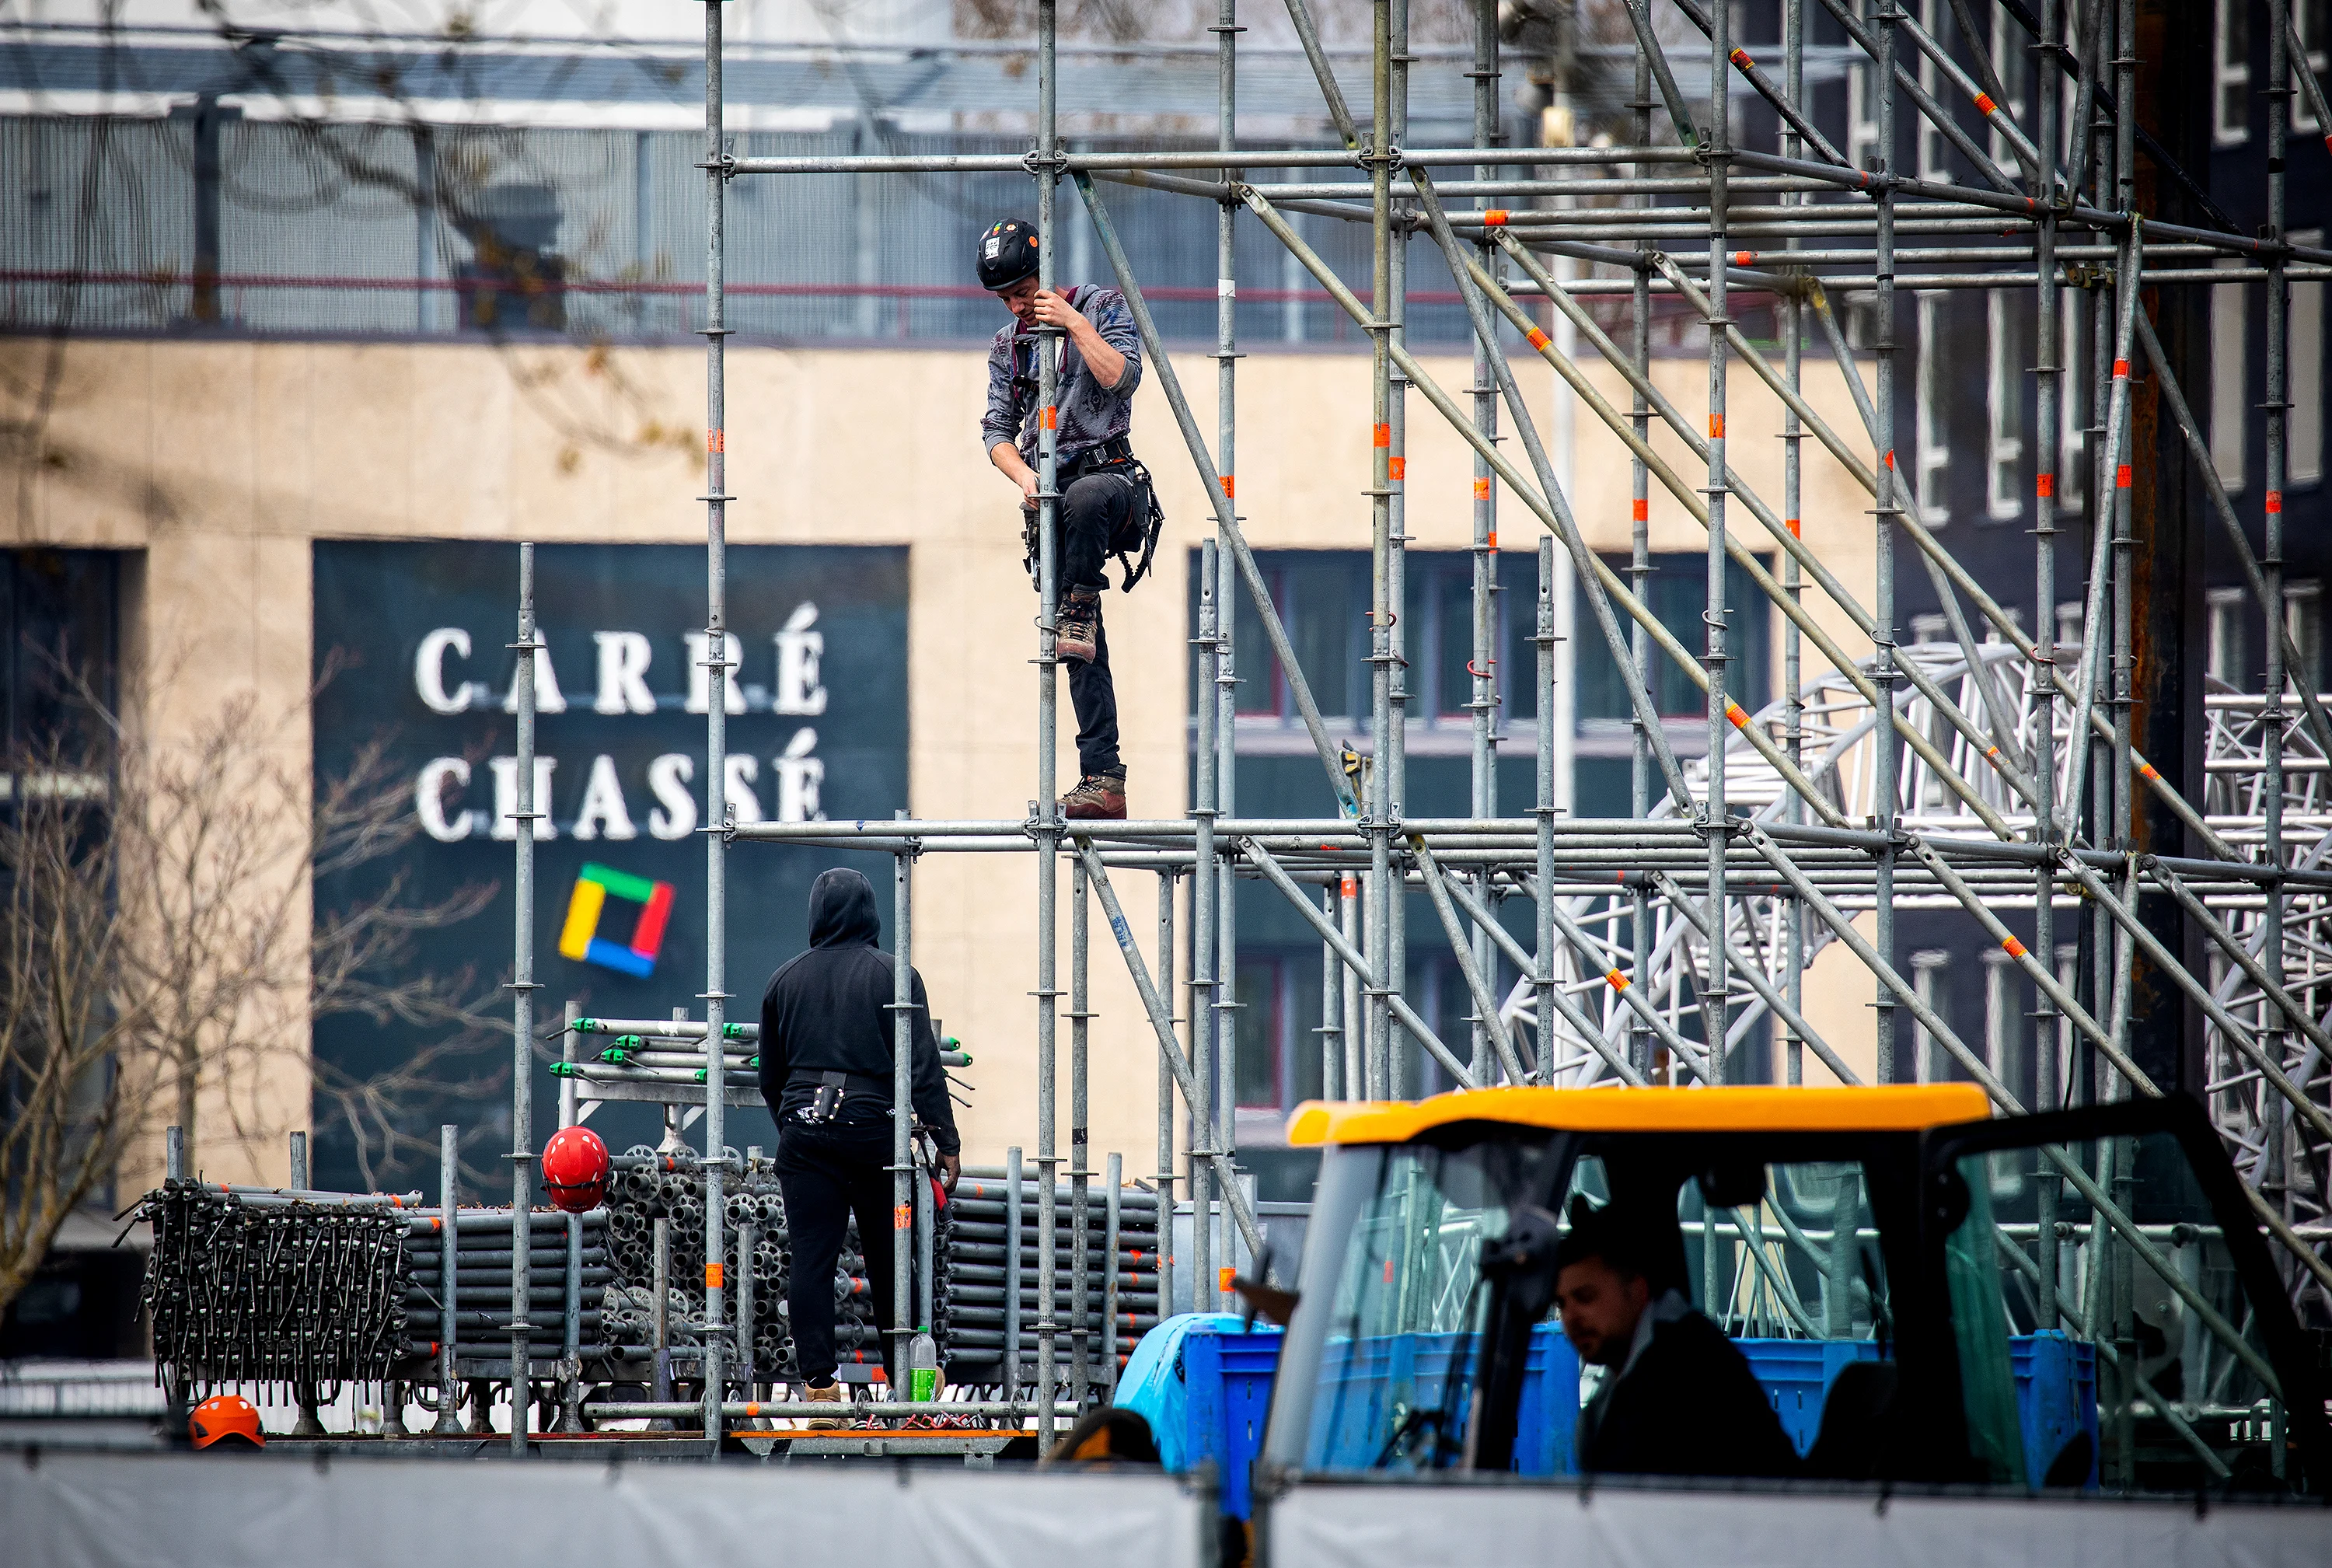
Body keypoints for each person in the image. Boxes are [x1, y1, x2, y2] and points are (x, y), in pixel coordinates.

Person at [759, 867, 962, 1424]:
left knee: (813, 1260)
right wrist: (946, 1140)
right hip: (876, 1135)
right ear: (871, 912)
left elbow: (770, 1077)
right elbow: (922, 1067)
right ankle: (911, 1382)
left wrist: (796, 1132)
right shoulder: (895, 977)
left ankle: (820, 1388)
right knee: (892, 1256)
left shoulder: (783, 980)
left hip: (804, 1133)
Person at [978, 216, 1148, 822]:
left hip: (1114, 484)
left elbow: (1123, 377)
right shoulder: (1009, 346)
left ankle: (1077, 601)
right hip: (1057, 496)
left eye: (1024, 293)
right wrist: (1025, 477)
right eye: (1008, 299)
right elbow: (997, 430)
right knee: (1080, 643)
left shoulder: (1101, 307)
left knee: (1085, 503)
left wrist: (1071, 323)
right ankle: (1103, 775)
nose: (1018, 307)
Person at [1552, 1202, 1798, 1479]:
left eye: (1586, 1298)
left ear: (1637, 1290)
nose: (1570, 1318)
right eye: (1562, 1304)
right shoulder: (1630, 1367)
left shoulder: (1685, 1373)